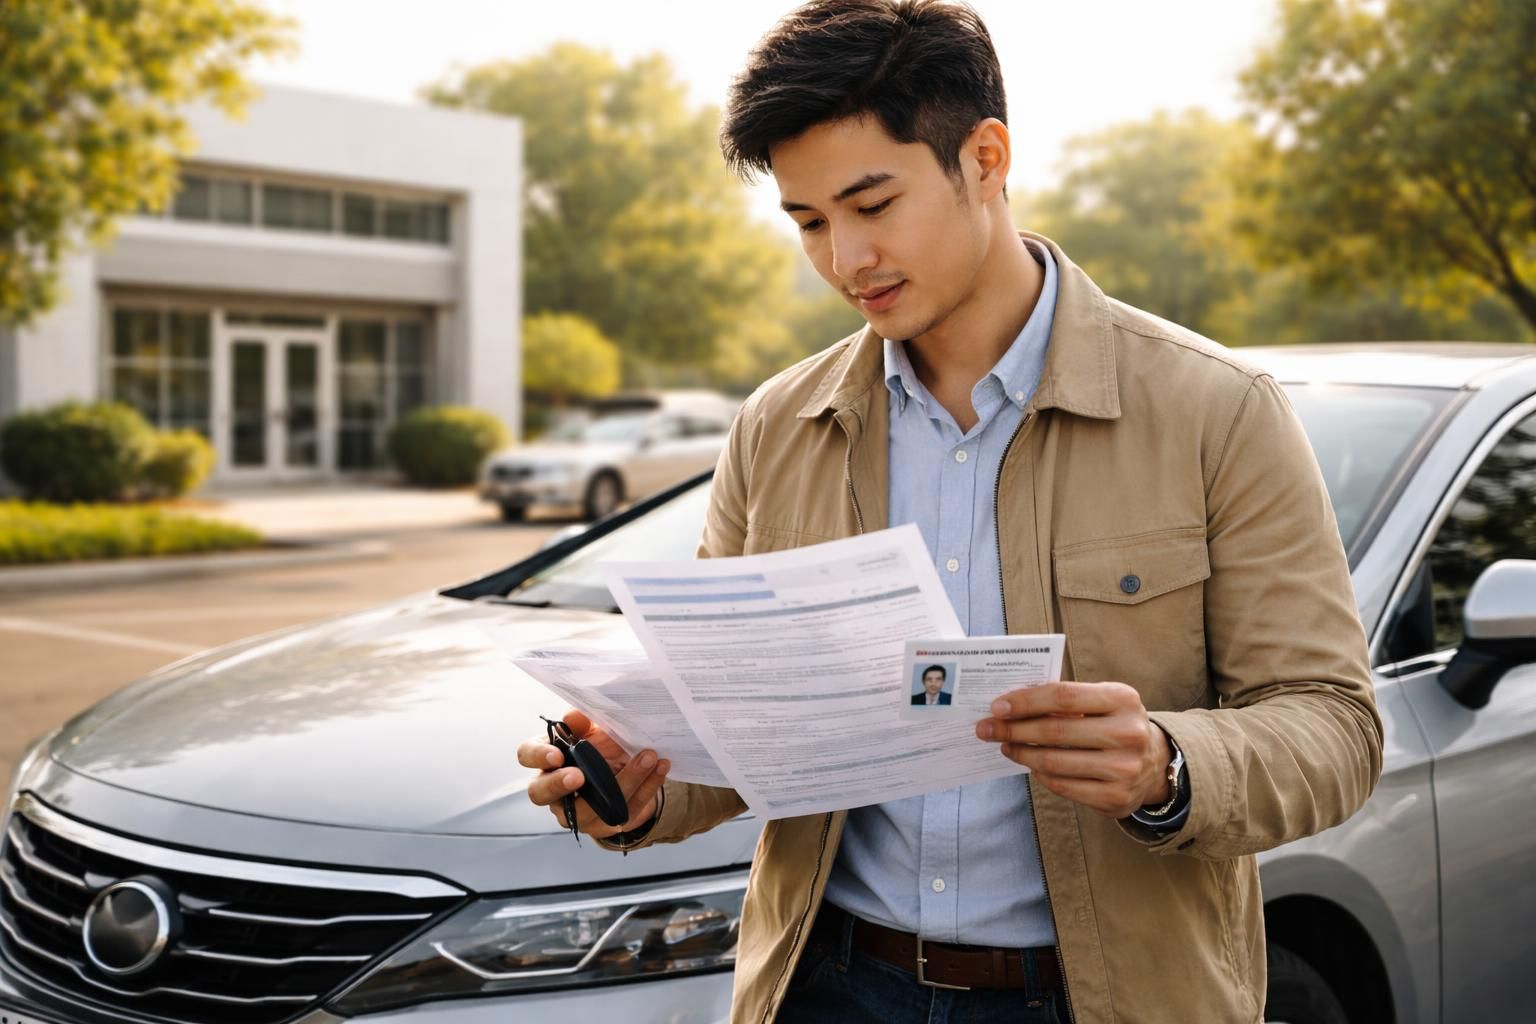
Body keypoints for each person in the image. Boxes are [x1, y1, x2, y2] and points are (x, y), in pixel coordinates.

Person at [517, 2, 1383, 1021]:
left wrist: (1166, 762)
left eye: (872, 203)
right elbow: (741, 740)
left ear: (985, 158)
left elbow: (1334, 729)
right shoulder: (775, 427)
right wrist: (642, 786)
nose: (846, 259)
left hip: (1100, 1000)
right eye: (807, 222)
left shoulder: (1216, 410)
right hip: (827, 986)